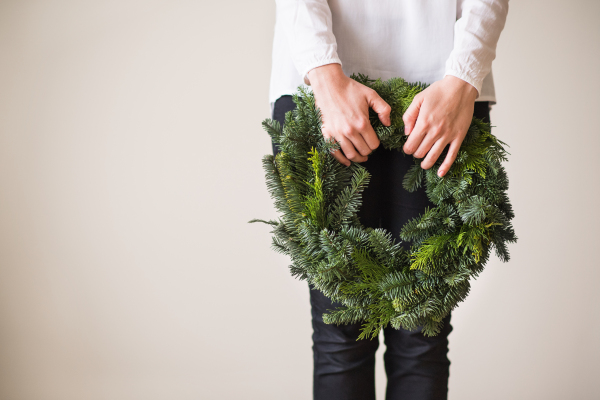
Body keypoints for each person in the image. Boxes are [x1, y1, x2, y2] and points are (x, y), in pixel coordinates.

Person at [268, 1, 509, 399]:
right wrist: (325, 74)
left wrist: (463, 78)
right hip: (321, 85)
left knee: (422, 335)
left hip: (442, 92)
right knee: (341, 335)